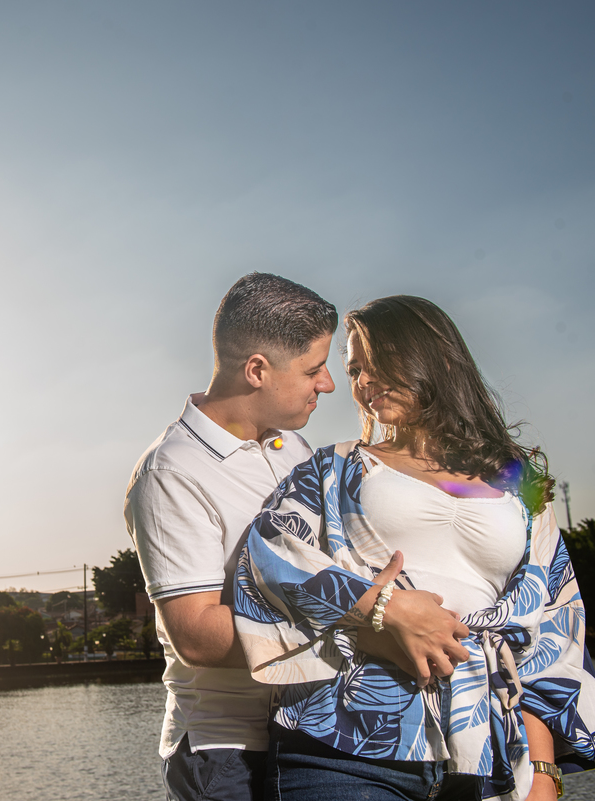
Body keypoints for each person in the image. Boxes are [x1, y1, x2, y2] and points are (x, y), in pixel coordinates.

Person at [235, 295, 595, 801]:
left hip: (490, 754)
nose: (363, 382)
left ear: (432, 356)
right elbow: (269, 553)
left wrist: (544, 771)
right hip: (349, 742)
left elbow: (555, 623)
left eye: (376, 363)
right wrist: (382, 608)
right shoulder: (333, 468)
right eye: (355, 371)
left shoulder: (520, 482)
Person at [125, 277, 469, 801]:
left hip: (318, 732)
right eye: (313, 369)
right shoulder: (171, 471)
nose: (328, 384)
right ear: (257, 370)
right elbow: (196, 635)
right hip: (230, 751)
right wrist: (371, 622)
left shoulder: (296, 450)